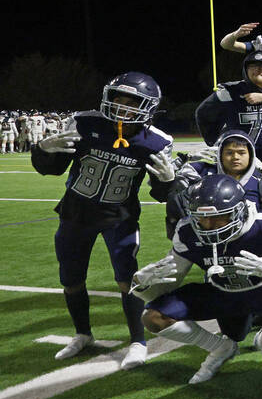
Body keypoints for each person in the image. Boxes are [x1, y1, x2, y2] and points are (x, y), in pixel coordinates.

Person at [31, 73, 174, 370]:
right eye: (118, 98)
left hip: (118, 217)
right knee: (71, 280)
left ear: (148, 106)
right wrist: (42, 151)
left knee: (127, 280)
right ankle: (82, 333)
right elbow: (53, 169)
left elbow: (161, 194)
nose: (122, 106)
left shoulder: (156, 141)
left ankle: (137, 342)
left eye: (131, 101)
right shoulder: (86, 123)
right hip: (75, 214)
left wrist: (168, 183)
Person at [132, 174, 262, 384]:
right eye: (202, 217)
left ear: (239, 212)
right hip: (219, 291)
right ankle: (219, 347)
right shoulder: (188, 231)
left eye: (219, 217)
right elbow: (167, 285)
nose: (209, 224)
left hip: (261, 291)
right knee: (153, 316)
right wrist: (143, 284)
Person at [195, 49, 262, 177]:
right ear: (245, 70)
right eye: (252, 66)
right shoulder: (232, 92)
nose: (257, 69)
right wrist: (217, 141)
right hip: (246, 166)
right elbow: (203, 115)